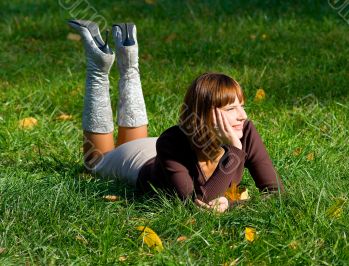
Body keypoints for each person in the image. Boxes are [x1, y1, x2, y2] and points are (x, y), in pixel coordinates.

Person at [69, 20, 284, 213]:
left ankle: (129, 57)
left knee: (126, 141)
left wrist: (231, 204)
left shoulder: (244, 130)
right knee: (95, 162)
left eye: (242, 106)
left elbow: (276, 193)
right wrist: (235, 152)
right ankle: (99, 65)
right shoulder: (172, 142)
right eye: (230, 109)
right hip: (136, 160)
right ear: (205, 115)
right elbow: (197, 203)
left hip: (162, 154)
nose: (242, 116)